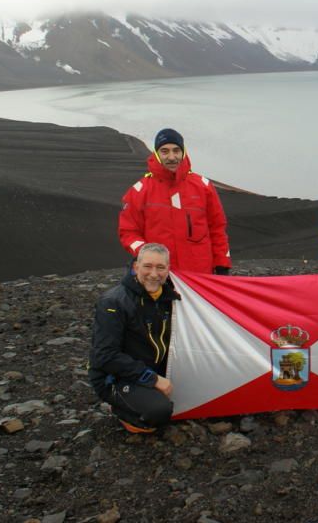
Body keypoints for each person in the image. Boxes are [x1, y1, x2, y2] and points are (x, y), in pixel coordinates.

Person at [88, 243, 178, 433]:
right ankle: (120, 408)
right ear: (135, 267)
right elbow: (105, 355)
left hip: (152, 368)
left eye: (160, 267)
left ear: (168, 269)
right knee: (159, 413)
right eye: (147, 266)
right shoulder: (114, 302)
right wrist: (152, 379)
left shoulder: (171, 299)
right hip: (115, 377)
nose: (154, 274)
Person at [118, 128, 231, 274]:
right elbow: (128, 232)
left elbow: (217, 229)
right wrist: (146, 253)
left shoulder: (203, 187)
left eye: (176, 150)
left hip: (200, 276)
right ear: (157, 154)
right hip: (159, 277)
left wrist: (222, 263)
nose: (171, 157)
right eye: (165, 151)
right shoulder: (139, 191)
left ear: (183, 152)